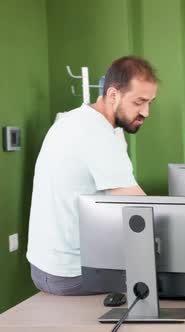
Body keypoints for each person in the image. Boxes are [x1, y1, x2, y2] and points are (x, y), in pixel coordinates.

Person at [26, 56, 158, 295]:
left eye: (150, 102)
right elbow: (141, 209)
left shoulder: (72, 120)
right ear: (113, 95)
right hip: (69, 273)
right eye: (139, 102)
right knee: (166, 277)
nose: (146, 111)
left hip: (44, 266)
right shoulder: (97, 135)